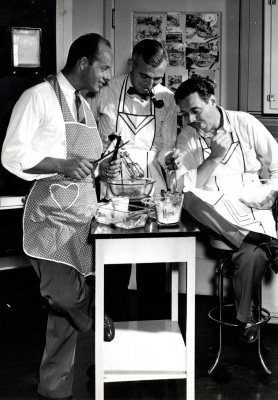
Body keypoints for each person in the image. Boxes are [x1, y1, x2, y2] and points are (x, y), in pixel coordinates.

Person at [1, 33, 121, 400]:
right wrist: (63, 164)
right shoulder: (37, 97)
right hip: (49, 215)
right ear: (83, 62)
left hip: (83, 218)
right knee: (63, 294)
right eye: (103, 67)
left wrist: (103, 171)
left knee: (60, 312)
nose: (106, 76)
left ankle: (54, 388)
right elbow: (12, 155)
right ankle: (95, 311)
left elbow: (84, 163)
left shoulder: (83, 105)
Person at [166, 75, 278, 344]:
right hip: (215, 211)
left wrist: (272, 194)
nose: (191, 120)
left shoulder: (244, 122)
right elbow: (185, 185)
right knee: (186, 196)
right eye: (186, 114)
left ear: (212, 101)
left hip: (251, 203)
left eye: (195, 111)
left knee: (253, 254)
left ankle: (244, 317)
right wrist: (214, 157)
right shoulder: (188, 135)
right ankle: (268, 244)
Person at [87, 39, 177, 320]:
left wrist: (173, 161)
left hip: (152, 193)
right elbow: (86, 140)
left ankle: (153, 339)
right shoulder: (105, 91)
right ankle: (115, 341)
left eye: (157, 78)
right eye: (144, 76)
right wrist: (99, 169)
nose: (150, 85)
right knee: (114, 270)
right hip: (113, 192)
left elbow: (166, 147)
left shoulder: (168, 99)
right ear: (131, 64)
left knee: (153, 270)